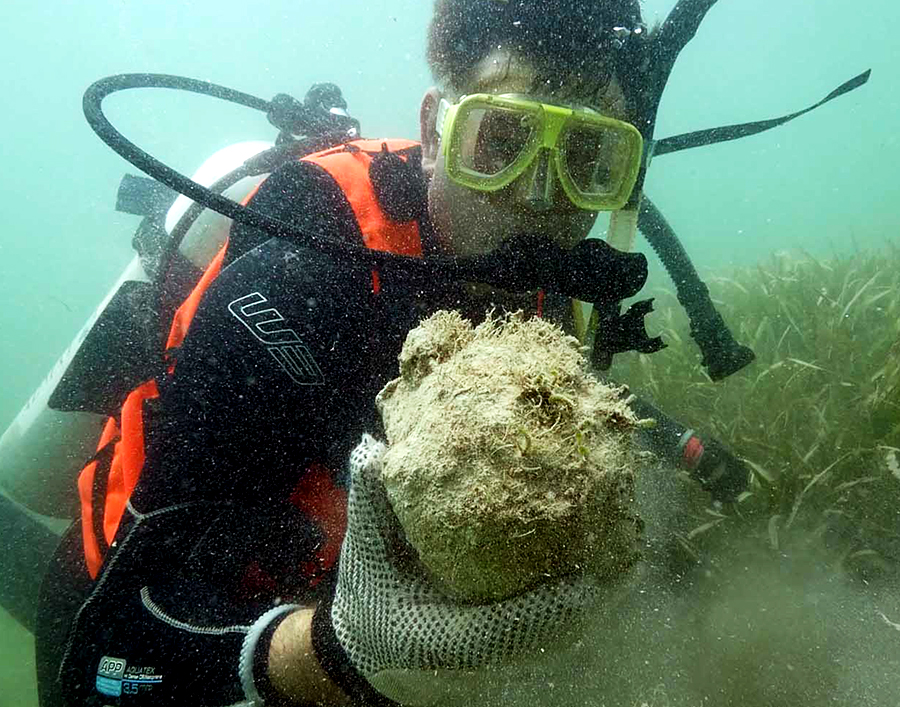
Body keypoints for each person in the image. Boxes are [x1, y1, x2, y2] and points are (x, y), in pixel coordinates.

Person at [34, 1, 748, 706]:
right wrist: (336, 652)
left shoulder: (553, 285)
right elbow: (102, 664)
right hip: (151, 615)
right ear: (435, 132)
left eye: (589, 157)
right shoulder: (300, 281)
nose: (540, 200)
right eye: (501, 141)